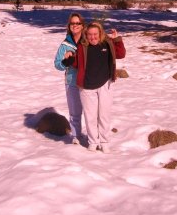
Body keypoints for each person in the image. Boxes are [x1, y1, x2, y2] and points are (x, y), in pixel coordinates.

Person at [63, 21, 126, 153]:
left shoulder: (107, 44)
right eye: (90, 34)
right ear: (86, 35)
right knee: (90, 116)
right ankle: (93, 141)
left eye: (95, 34)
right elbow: (76, 63)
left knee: (104, 115)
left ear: (100, 34)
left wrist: (117, 40)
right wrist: (68, 57)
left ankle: (104, 142)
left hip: (105, 85)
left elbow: (120, 54)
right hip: (86, 87)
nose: (93, 37)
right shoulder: (82, 46)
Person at [54, 13, 85, 145]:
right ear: (69, 26)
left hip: (88, 81)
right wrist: (66, 62)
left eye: (77, 23)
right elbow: (57, 64)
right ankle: (76, 136)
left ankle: (94, 138)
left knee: (91, 112)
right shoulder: (65, 44)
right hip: (71, 81)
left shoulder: (88, 41)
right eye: (72, 23)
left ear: (82, 25)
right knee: (75, 112)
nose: (75, 26)